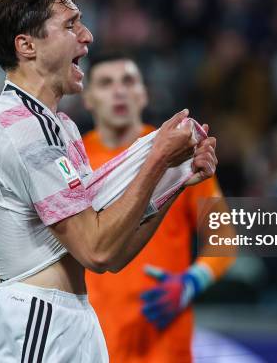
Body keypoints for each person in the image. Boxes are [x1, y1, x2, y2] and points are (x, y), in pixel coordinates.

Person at [0, 0, 218, 363]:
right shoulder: (18, 125)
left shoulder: (61, 127)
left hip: (75, 317)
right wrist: (156, 159)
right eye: (71, 24)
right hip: (35, 318)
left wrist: (177, 178)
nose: (87, 37)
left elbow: (114, 255)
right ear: (27, 45)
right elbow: (96, 249)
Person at [82, 53, 237, 362]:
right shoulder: (74, 160)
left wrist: (192, 282)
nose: (119, 91)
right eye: (106, 83)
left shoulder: (180, 155)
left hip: (163, 346)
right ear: (88, 98)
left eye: (128, 81)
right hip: (90, 343)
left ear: (144, 93)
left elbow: (225, 240)